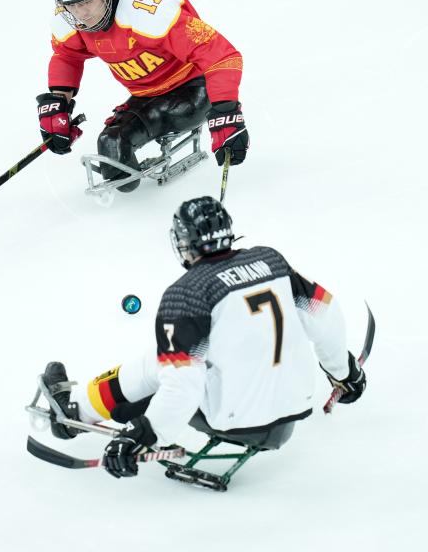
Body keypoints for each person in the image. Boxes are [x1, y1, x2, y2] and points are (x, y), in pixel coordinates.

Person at [39, 196, 367, 479]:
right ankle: (86, 408)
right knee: (193, 357)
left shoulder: (187, 293)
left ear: (183, 241)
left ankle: (73, 412)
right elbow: (326, 314)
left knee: (160, 364)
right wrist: (345, 373)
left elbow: (183, 386)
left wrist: (145, 435)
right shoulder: (271, 260)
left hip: (235, 420)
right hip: (294, 409)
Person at [36, 0, 249, 192]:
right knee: (111, 148)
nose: (82, 14)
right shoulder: (66, 15)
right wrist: (58, 104)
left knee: (115, 152)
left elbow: (221, 55)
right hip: (146, 94)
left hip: (192, 85)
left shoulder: (147, 10)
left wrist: (226, 112)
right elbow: (66, 55)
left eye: (88, 1)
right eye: (72, 6)